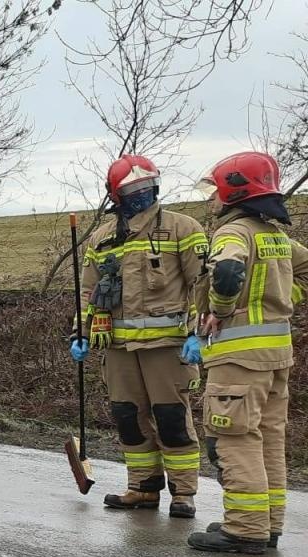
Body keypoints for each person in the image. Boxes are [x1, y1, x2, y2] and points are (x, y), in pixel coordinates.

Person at [69, 155, 209, 518]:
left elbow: (201, 284)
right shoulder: (101, 239)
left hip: (168, 347)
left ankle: (183, 493)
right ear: (116, 195)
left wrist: (197, 334)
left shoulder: (182, 228)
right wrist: (80, 333)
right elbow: (87, 292)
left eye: (146, 187)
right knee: (128, 417)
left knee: (172, 419)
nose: (141, 195)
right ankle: (143, 487)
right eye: (132, 189)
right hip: (117, 348)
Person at [186, 151, 308, 554]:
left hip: (239, 357)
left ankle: (244, 529)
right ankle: (267, 524)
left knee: (233, 436)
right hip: (276, 355)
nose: (211, 199)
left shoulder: (234, 233)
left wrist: (219, 312)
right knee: (268, 439)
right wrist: (284, 297)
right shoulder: (275, 236)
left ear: (234, 191)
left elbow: (227, 273)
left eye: (215, 191)